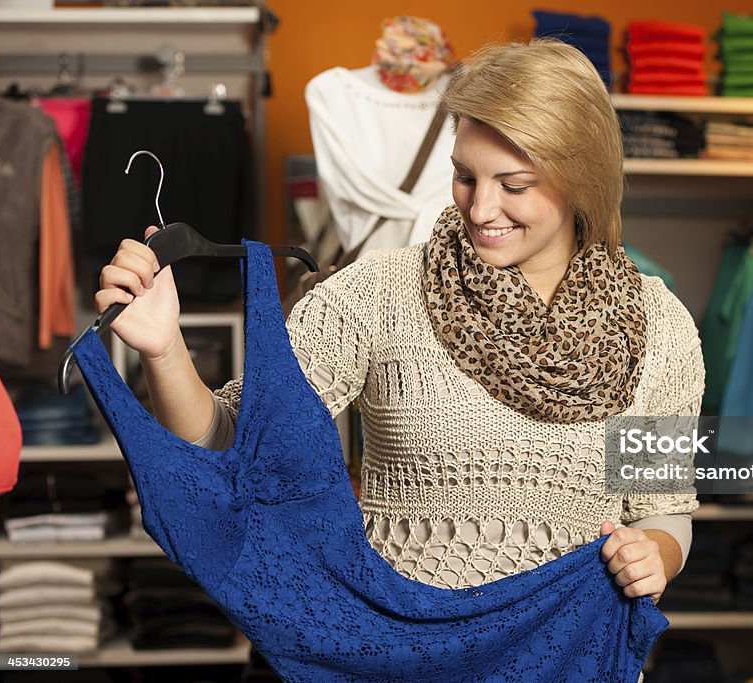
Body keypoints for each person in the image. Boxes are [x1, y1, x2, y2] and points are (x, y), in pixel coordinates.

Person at [94, 39, 702, 612]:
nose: (481, 209)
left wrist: (657, 555)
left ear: (581, 180)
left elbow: (666, 511)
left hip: (575, 653)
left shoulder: (658, 327)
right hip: (403, 652)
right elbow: (232, 442)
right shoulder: (378, 294)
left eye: (513, 185)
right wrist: (165, 348)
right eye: (465, 176)